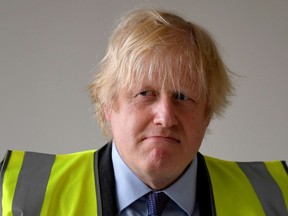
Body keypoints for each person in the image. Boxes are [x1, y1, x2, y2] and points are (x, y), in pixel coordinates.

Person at [1, 8, 287, 216]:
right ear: (108, 104)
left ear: (208, 113)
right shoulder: (19, 195)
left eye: (182, 96)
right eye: (145, 94)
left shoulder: (277, 196)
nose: (165, 117)